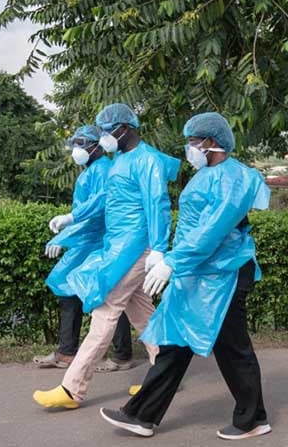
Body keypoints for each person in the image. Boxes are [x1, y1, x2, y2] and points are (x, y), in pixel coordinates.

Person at [100, 112, 273, 440]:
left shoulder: (235, 178)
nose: (189, 148)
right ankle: (141, 415)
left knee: (232, 347)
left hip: (225, 273)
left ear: (211, 142)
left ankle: (253, 419)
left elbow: (212, 231)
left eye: (194, 142)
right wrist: (169, 258)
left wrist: (172, 262)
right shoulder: (206, 174)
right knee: (175, 341)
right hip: (198, 272)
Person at [33, 104, 179, 410]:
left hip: (136, 247)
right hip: (119, 245)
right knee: (142, 314)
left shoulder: (148, 161)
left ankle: (72, 388)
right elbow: (103, 198)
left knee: (106, 308)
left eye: (107, 131)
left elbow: (157, 205)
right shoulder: (121, 160)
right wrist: (73, 216)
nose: (103, 137)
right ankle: (165, 376)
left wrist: (158, 249)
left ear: (125, 129)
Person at [32, 125, 135, 371]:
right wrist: (67, 233)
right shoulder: (92, 171)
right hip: (89, 241)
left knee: (108, 296)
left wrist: (66, 233)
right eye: (75, 144)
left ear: (97, 146)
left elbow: (97, 211)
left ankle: (121, 356)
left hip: (99, 242)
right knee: (71, 290)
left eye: (82, 143)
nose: (77, 149)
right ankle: (68, 351)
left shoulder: (103, 170)